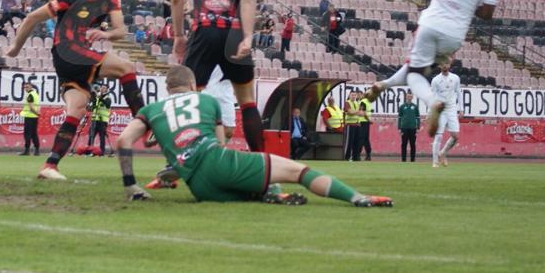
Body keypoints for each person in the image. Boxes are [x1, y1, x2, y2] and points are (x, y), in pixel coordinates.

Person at [115, 65, 392, 206]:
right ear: (191, 84)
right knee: (299, 171)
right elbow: (219, 145)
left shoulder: (153, 109)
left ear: (168, 87)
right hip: (218, 162)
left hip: (199, 187)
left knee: (251, 186)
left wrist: (131, 185)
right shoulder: (207, 102)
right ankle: (358, 198)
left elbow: (123, 140)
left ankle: (268, 193)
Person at [6, 0, 146, 181]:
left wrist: (107, 34)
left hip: (72, 61)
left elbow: (120, 30)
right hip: (68, 51)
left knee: (77, 110)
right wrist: (15, 47)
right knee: (126, 68)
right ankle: (144, 121)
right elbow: (33, 17)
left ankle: (50, 165)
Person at [366, 0, 505, 139]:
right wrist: (468, 4)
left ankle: (431, 101)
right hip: (454, 35)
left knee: (415, 74)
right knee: (420, 67)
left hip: (430, 23)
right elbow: (487, 13)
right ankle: (384, 85)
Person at [171, 0, 266, 153]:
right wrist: (247, 36)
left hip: (203, 30)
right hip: (233, 33)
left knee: (188, 99)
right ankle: (262, 167)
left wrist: (179, 35)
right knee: (247, 102)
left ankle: (177, 162)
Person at [430, 58, 461, 167]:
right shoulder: (436, 80)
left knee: (455, 136)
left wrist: (460, 109)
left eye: (446, 63)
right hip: (441, 111)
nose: (445, 65)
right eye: (442, 63)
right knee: (438, 136)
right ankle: (435, 162)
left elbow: (458, 93)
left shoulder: (455, 78)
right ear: (439, 66)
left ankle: (443, 152)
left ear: (450, 65)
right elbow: (432, 97)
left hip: (452, 110)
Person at [87, 82, 112, 155]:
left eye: (104, 88)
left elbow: (107, 105)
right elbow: (93, 107)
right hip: (95, 119)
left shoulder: (108, 98)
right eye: (102, 87)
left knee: (102, 137)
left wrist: (100, 98)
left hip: (103, 120)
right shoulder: (97, 97)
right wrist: (90, 104)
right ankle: (89, 151)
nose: (102, 89)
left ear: (107, 90)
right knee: (91, 136)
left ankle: (101, 152)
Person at [20, 81, 41, 156]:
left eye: (27, 87)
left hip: (29, 116)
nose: (25, 88)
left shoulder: (30, 95)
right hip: (34, 117)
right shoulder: (35, 94)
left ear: (31, 87)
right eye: (25, 87)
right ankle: (37, 150)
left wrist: (37, 113)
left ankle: (27, 150)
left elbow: (31, 107)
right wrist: (37, 114)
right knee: (34, 134)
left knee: (27, 134)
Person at [398, 93, 420, 162]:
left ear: (412, 97)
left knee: (412, 144)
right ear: (406, 97)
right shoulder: (402, 106)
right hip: (404, 128)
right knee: (404, 144)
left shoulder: (415, 106)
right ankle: (403, 159)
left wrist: (418, 128)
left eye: (410, 96)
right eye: (408, 96)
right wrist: (399, 128)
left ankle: (412, 160)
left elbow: (418, 118)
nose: (409, 97)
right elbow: (399, 118)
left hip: (413, 128)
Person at [343, 90, 364, 161]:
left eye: (355, 95)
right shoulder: (347, 103)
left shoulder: (357, 103)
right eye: (352, 95)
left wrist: (358, 112)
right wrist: (357, 112)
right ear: (349, 95)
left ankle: (355, 157)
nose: (353, 96)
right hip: (350, 124)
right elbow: (350, 112)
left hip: (357, 124)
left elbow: (361, 113)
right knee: (349, 142)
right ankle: (346, 157)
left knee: (357, 142)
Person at [357, 91, 373, 161]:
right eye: (358, 95)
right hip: (366, 122)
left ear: (363, 95)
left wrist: (368, 120)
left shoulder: (362, 102)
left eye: (360, 95)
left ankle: (357, 154)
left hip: (363, 122)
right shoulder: (368, 102)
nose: (359, 96)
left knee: (361, 138)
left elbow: (362, 112)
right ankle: (368, 154)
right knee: (366, 139)